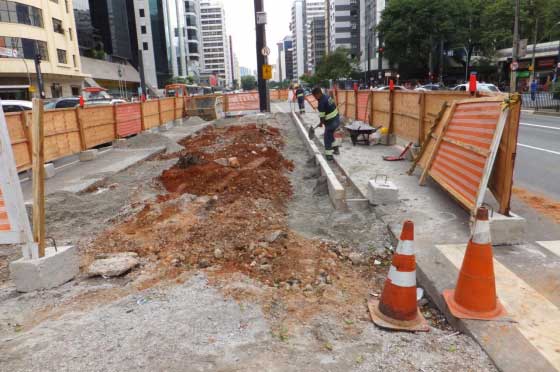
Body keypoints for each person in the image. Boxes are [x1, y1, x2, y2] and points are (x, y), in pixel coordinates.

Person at [312, 87, 340, 161]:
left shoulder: (321, 102)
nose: (315, 98)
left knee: (326, 137)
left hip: (331, 122)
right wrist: (323, 122)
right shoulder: (327, 97)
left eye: (315, 96)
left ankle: (329, 155)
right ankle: (336, 149)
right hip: (337, 119)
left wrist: (321, 123)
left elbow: (322, 116)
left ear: (318, 94)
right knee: (330, 134)